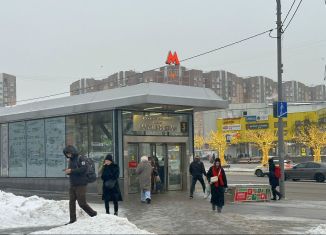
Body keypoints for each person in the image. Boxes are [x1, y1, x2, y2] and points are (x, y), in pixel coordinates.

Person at [63, 145, 97, 224]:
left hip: (81, 184)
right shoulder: (70, 160)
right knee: (71, 202)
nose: (68, 155)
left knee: (82, 203)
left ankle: (93, 214)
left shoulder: (80, 158)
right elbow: (73, 171)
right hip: (72, 184)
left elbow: (83, 169)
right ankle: (72, 220)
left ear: (73, 151)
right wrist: (68, 171)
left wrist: (71, 171)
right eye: (66, 154)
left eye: (69, 153)